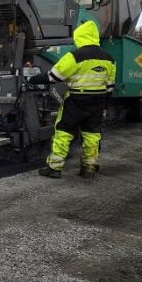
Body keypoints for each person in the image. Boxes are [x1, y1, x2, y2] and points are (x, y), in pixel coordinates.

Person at [30, 20, 116, 179]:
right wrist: (104, 106)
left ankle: (54, 168)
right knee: (92, 135)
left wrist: (33, 79)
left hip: (76, 100)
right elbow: (110, 87)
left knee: (64, 132)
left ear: (80, 37)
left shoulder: (75, 56)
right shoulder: (109, 59)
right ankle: (89, 168)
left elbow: (54, 77)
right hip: (97, 101)